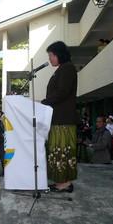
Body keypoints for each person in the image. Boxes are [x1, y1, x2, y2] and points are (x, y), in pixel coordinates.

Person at [41, 41, 77, 193]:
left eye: (51, 55)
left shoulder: (67, 68)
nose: (50, 59)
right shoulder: (62, 69)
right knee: (57, 150)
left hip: (64, 119)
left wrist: (45, 101)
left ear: (58, 54)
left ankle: (66, 183)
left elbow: (62, 91)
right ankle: (60, 181)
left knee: (63, 151)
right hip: (57, 118)